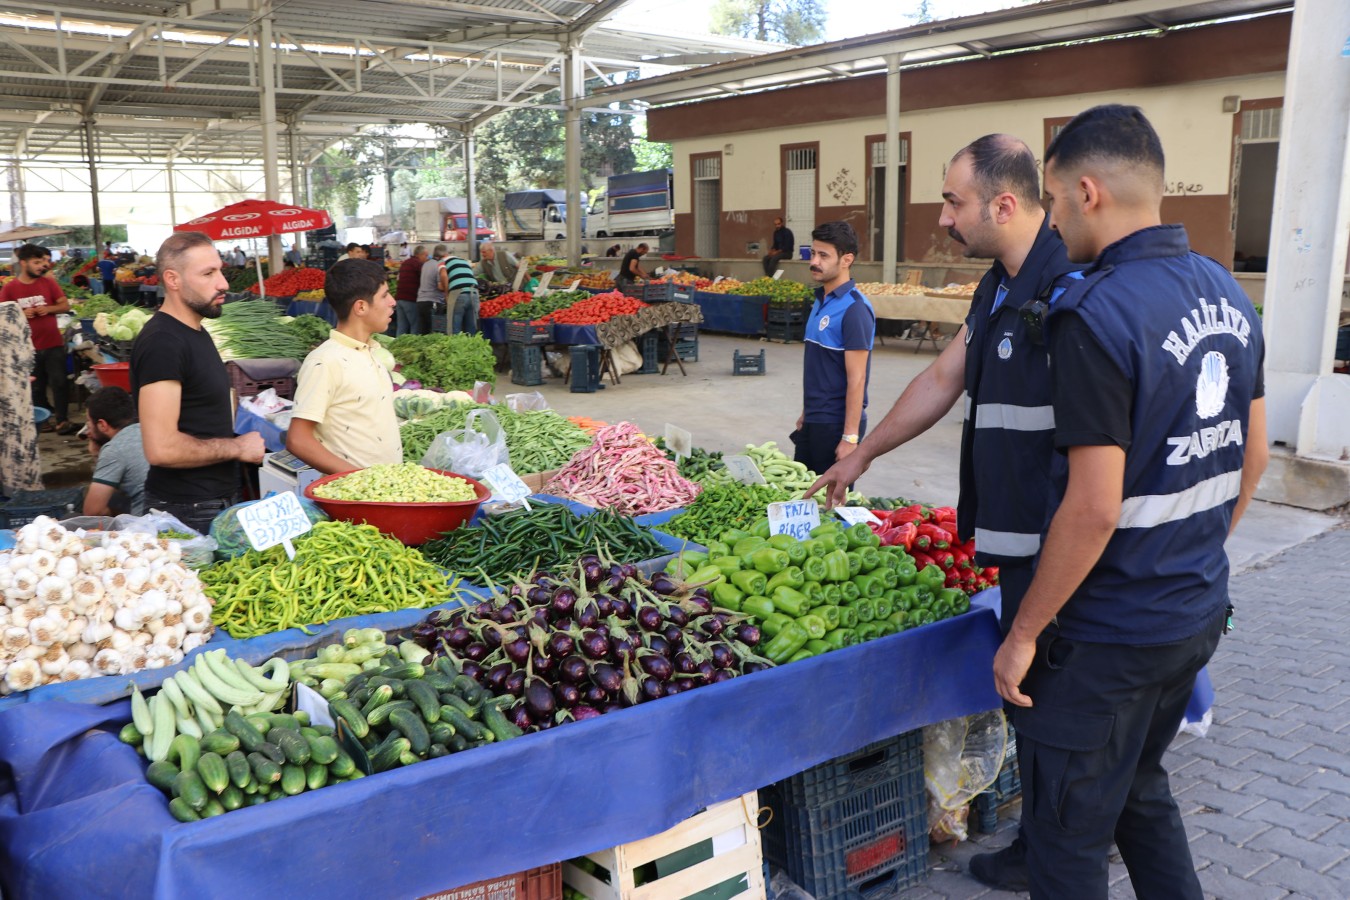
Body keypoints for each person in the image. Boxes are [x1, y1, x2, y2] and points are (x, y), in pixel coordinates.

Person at [989, 104, 1268, 900]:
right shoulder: (1225, 290)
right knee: (1140, 795)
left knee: (1066, 841)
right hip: (1191, 613)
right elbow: (1251, 456)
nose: (1053, 222)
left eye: (1054, 201)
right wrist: (1192, 552)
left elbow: (1093, 507)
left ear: (1087, 191)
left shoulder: (1095, 312)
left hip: (1105, 641)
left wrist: (1024, 634)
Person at [805, 135, 1083, 892]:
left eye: (953, 199)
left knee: (1058, 706)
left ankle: (1063, 850)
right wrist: (862, 455)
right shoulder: (999, 285)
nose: (943, 215)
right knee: (1037, 709)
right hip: (1016, 537)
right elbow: (941, 378)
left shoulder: (1073, 288)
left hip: (1065, 542)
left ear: (1003, 202)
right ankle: (1043, 841)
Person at [131, 231, 264, 534]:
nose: (224, 284)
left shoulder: (194, 330)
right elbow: (161, 448)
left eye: (220, 270)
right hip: (187, 511)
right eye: (208, 273)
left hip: (210, 501)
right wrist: (237, 447)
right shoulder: (163, 343)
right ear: (173, 280)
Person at [286, 259, 402, 474]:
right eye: (385, 295)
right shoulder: (324, 362)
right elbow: (298, 439)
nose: (392, 302)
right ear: (361, 307)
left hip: (388, 491)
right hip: (357, 499)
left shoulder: (371, 352)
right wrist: (358, 480)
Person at [793, 221, 874, 477]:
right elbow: (819, 366)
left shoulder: (855, 309)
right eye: (813, 253)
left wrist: (850, 437)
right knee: (803, 496)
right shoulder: (820, 301)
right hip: (814, 419)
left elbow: (857, 378)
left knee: (829, 506)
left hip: (836, 424)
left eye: (824, 255)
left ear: (846, 259)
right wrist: (806, 412)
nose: (814, 261)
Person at [0, 243, 76, 435]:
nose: (42, 266)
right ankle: (44, 421)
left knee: (59, 382)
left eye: (42, 261)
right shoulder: (10, 289)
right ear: (24, 263)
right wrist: (21, 313)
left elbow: (65, 305)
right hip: (26, 348)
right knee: (36, 386)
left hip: (53, 343)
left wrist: (48, 309)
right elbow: (4, 317)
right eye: (36, 262)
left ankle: (62, 421)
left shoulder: (48, 283)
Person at [83, 386, 149, 517]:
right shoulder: (147, 429)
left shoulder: (115, 449)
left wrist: (118, 515)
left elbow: (92, 511)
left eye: (89, 421)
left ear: (102, 425)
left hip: (146, 525)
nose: (88, 427)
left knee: (71, 517)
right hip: (171, 510)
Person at [410, 244, 447, 336]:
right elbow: (440, 286)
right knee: (435, 333)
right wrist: (448, 288)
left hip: (421, 301)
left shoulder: (426, 264)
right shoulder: (439, 265)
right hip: (432, 302)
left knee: (424, 332)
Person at [394, 245, 427, 334]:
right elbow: (424, 280)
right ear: (421, 255)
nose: (426, 258)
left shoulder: (405, 262)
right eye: (426, 256)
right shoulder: (418, 264)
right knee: (415, 325)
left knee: (401, 326)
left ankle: (397, 346)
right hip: (410, 298)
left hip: (399, 298)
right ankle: (413, 346)